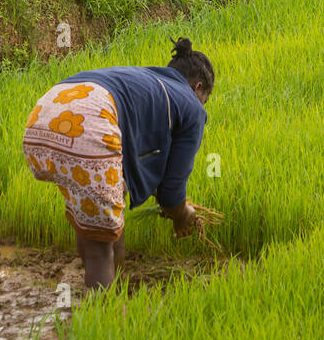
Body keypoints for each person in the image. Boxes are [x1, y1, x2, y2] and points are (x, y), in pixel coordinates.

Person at [22, 37, 213, 289]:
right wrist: (182, 214)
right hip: (88, 123)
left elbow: (140, 160)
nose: (202, 106)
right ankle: (106, 312)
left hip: (44, 116)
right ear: (198, 87)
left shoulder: (144, 81)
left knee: (100, 218)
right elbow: (172, 187)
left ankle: (114, 288)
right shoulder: (191, 105)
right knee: (101, 249)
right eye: (204, 99)